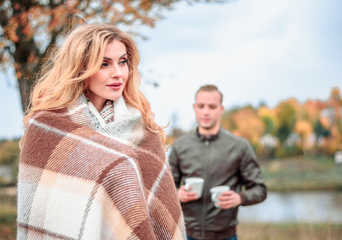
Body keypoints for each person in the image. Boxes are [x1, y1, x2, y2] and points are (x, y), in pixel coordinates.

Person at [17, 24, 186, 240]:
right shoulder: (46, 128)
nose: (118, 74)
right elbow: (42, 211)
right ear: (80, 67)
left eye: (122, 62)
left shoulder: (143, 130)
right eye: (104, 64)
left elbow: (162, 211)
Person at [169, 84, 267, 240]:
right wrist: (176, 195)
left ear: (221, 109)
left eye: (212, 107)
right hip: (187, 235)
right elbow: (166, 188)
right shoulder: (180, 146)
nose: (206, 111)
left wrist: (239, 198)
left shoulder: (239, 147)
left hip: (226, 236)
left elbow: (260, 189)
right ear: (194, 108)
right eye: (201, 106)